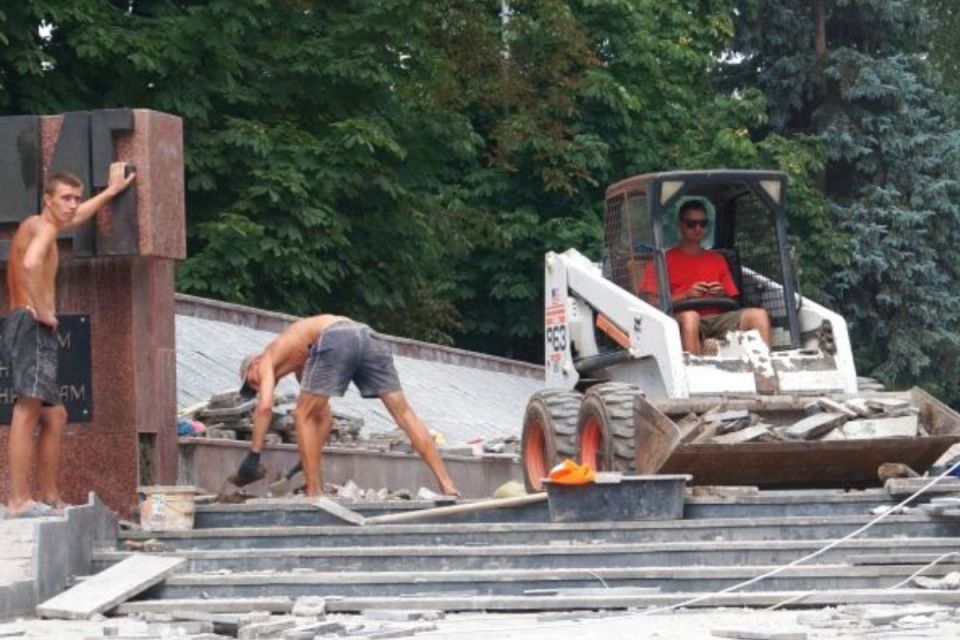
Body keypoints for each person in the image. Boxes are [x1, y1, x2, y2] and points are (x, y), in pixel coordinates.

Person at [4, 164, 136, 518]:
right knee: (28, 407)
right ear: (47, 200)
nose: (73, 205)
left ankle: (49, 496)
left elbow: (77, 219)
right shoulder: (41, 224)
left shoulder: (46, 226)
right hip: (29, 324)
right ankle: (18, 500)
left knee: (56, 414)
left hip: (33, 328)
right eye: (66, 198)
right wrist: (43, 311)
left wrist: (110, 192)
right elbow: (30, 265)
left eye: (76, 198)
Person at [234, 314, 460, 497]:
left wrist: (253, 456)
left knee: (300, 414)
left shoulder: (266, 359)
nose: (255, 385)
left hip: (336, 337)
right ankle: (448, 485)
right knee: (405, 414)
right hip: (367, 336)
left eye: (250, 379)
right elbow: (324, 419)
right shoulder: (302, 362)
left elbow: (264, 407)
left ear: (254, 364)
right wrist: (309, 458)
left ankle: (313, 492)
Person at [641, 199, 771, 355]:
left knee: (759, 315)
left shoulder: (717, 259)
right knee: (691, 317)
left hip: (719, 319)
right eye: (691, 223)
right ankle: (694, 371)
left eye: (702, 223)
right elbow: (651, 303)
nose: (697, 228)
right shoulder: (661, 261)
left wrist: (722, 293)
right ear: (680, 225)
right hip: (681, 319)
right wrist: (686, 295)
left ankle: (765, 369)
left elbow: (733, 299)